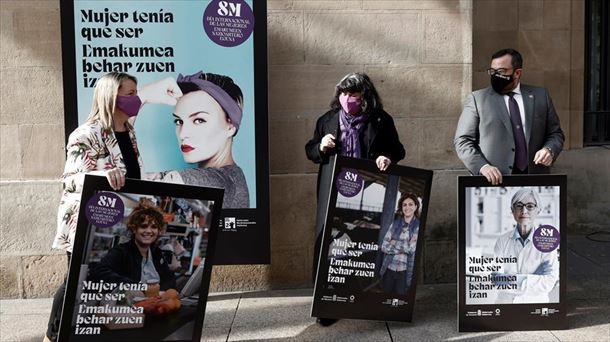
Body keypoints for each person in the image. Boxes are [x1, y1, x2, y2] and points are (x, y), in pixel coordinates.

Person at [45, 72, 144, 342]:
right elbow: (70, 180)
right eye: (130, 94)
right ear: (111, 97)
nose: (137, 99)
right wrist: (101, 176)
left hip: (119, 222)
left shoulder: (128, 132)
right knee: (75, 282)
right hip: (88, 221)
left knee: (105, 281)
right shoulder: (85, 134)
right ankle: (52, 337)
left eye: (136, 92)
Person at [305, 72, 405, 326]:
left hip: (366, 193)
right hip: (333, 191)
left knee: (364, 243)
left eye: (353, 94)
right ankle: (327, 304)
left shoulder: (381, 120)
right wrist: (321, 147)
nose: (347, 98)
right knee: (328, 244)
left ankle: (363, 297)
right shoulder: (326, 120)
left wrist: (386, 157)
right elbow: (310, 150)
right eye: (344, 93)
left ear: (365, 97)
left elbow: (397, 150)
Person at [454, 48, 565, 185]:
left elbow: (555, 133)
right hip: (493, 181)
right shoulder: (478, 99)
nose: (495, 76)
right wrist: (482, 167)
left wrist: (549, 149)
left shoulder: (541, 96)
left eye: (501, 72)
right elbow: (462, 141)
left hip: (534, 178)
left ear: (517, 73)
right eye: (492, 71)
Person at [146, 71, 249, 208]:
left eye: (199, 120)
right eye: (178, 121)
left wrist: (143, 97)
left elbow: (122, 184)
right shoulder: (234, 176)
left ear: (230, 127)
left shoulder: (220, 182)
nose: (183, 134)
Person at [90, 199, 176, 291]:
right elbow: (99, 272)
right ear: (134, 229)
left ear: (158, 231)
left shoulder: (157, 253)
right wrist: (136, 286)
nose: (148, 231)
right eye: (143, 226)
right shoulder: (122, 251)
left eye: (154, 227)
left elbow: (169, 278)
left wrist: (161, 293)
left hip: (154, 302)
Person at [491, 188, 559, 304]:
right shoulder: (502, 240)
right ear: (512, 210)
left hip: (536, 304)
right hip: (505, 304)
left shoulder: (548, 239)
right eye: (519, 205)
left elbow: (549, 282)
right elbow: (496, 279)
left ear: (538, 210)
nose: (524, 211)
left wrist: (510, 279)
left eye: (530, 206)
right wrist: (532, 278)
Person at [379, 193, 420, 296]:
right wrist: (404, 245)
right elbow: (384, 246)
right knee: (384, 297)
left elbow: (411, 249)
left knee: (400, 298)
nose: (407, 207)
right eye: (404, 205)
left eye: (410, 204)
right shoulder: (395, 224)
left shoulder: (418, 226)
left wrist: (394, 242)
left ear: (416, 206)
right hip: (389, 268)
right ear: (401, 208)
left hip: (405, 271)